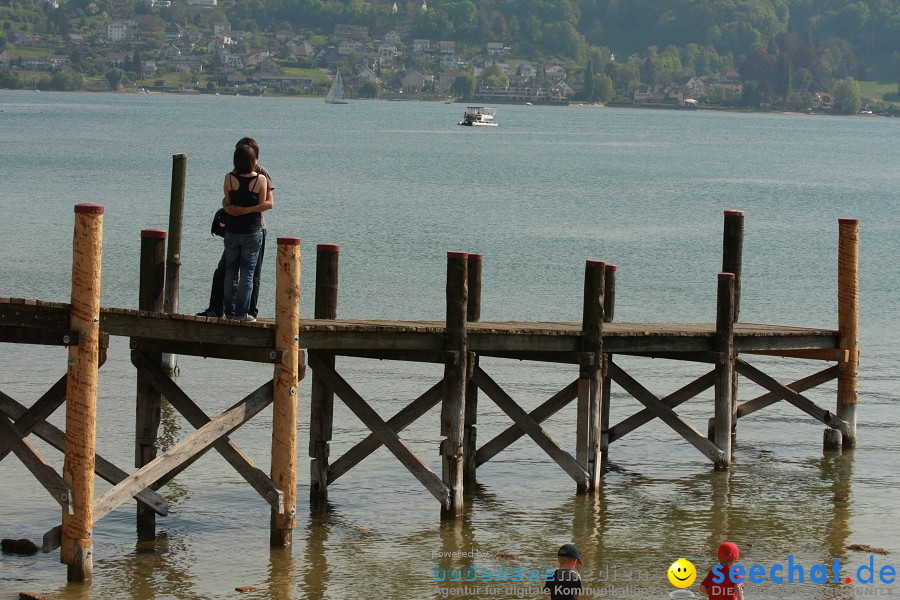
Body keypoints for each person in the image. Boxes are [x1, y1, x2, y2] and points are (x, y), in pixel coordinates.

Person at [197, 137, 275, 318]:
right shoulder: (236, 172)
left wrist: (244, 210)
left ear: (254, 156)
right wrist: (227, 207)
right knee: (226, 270)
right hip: (240, 229)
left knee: (251, 273)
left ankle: (249, 311)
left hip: (255, 228)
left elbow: (269, 203)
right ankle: (219, 309)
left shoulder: (262, 174)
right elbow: (227, 199)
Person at [222, 144, 269, 321]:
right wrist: (247, 210)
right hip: (252, 230)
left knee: (231, 271)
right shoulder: (260, 180)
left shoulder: (229, 178)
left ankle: (229, 312)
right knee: (247, 273)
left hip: (232, 230)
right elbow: (262, 203)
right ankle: (242, 313)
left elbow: (228, 202)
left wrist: (235, 209)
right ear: (253, 161)